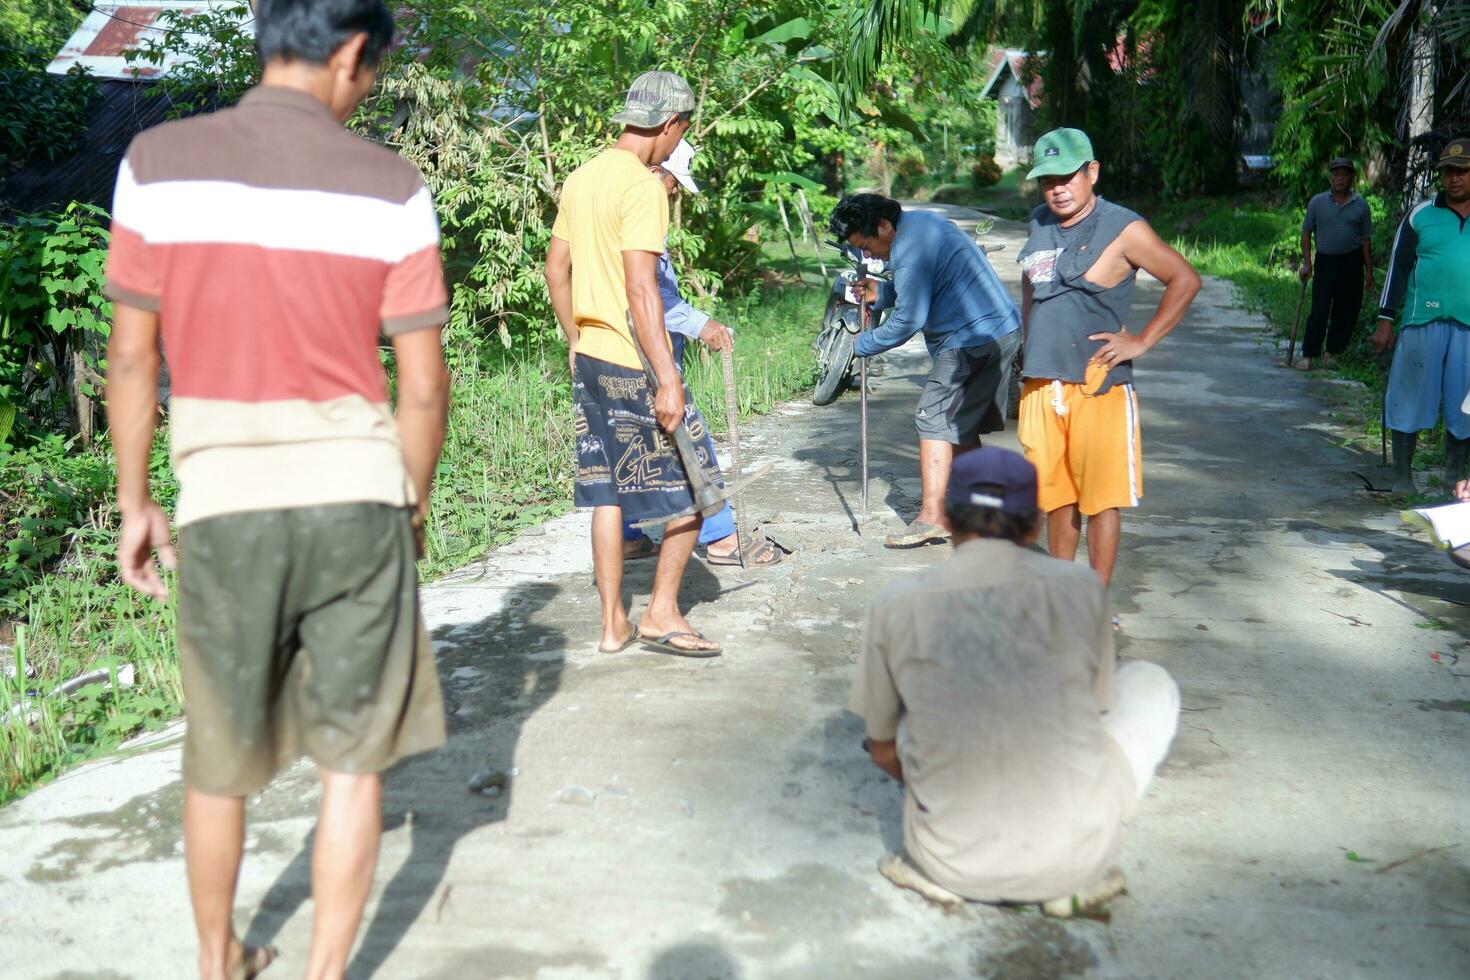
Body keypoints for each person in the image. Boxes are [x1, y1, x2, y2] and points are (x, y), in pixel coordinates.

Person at [103, 1, 450, 977]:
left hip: (221, 500)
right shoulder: (389, 186)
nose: (368, 89)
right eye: (371, 72)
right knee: (353, 760)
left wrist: (138, 501)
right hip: (355, 496)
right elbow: (423, 383)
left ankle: (219, 962)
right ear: (345, 53)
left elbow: (131, 360)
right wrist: (410, 505)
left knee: (218, 758)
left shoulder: (156, 164)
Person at [849, 446, 1180, 916]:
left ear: (947, 517)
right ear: (1036, 524)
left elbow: (881, 751)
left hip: (948, 861)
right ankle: (1067, 884)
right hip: (1077, 862)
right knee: (1151, 682)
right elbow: (1097, 711)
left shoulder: (897, 601)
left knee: (904, 707)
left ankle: (940, 870)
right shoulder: (1083, 588)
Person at [544, 71, 724, 657]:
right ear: (670, 125)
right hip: (634, 365)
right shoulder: (643, 187)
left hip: (592, 358)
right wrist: (668, 379)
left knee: (608, 492)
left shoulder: (582, 177)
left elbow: (556, 271)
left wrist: (574, 336)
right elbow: (644, 291)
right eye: (681, 133)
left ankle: (611, 625)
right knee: (698, 486)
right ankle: (661, 614)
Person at [1017, 128, 1201, 590]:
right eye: (1046, 180)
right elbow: (1031, 287)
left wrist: (1141, 341)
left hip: (1097, 384)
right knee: (1055, 498)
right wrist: (1026, 340)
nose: (1057, 188)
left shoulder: (1123, 227)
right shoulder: (1039, 222)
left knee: (1100, 500)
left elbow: (1184, 279)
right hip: (1042, 383)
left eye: (1067, 176)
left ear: (1091, 172)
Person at [620, 140, 782, 568]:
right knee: (690, 440)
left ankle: (626, 537)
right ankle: (720, 537)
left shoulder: (608, 200)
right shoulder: (642, 208)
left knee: (629, 443)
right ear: (657, 172)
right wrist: (701, 325)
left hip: (611, 354)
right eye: (674, 182)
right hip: (645, 355)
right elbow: (645, 294)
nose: (674, 193)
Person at [828, 193, 1022, 549]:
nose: (867, 256)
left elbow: (909, 319)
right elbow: (924, 287)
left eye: (867, 245)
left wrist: (860, 346)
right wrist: (881, 293)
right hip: (996, 330)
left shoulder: (910, 248)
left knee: (931, 417)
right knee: (960, 427)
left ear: (884, 226)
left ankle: (932, 518)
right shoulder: (919, 227)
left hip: (971, 339)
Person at [1374, 137, 1470, 494]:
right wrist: (1385, 319)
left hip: (1469, 326)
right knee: (1408, 394)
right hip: (1421, 321)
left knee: (1466, 403)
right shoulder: (1420, 215)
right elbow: (1398, 269)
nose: (1454, 179)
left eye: (1462, 171)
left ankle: (1453, 479)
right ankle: (1401, 476)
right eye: (1448, 172)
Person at [1296, 156, 1375, 371]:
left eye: (1345, 174)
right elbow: (1306, 233)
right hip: (1325, 261)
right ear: (1331, 177)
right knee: (1319, 309)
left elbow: (1365, 239)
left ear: (1351, 178)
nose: (1340, 178)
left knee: (1346, 309)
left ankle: (1331, 352)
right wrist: (1307, 263)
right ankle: (1308, 354)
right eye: (1337, 174)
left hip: (1351, 262)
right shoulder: (1317, 202)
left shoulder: (1361, 205)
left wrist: (1368, 270)